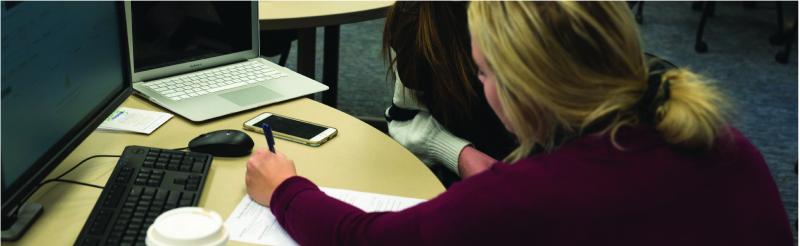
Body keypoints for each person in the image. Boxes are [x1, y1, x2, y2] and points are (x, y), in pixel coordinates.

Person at [245, 2, 794, 245]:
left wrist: (286, 190)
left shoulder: (536, 195)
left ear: (527, 88)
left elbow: (364, 239)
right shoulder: (717, 138)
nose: (479, 82)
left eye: (484, 71)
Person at [382, 2, 516, 182]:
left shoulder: (543, 15)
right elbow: (403, 118)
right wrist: (459, 154)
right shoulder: (416, 18)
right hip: (470, 176)